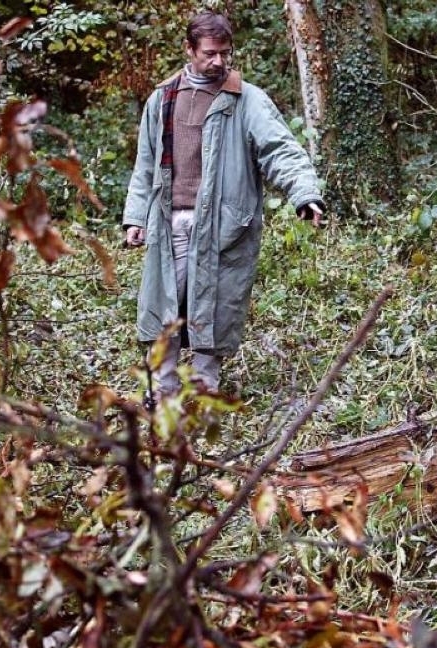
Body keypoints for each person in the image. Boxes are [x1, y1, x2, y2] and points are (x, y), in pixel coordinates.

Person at [122, 11, 323, 397]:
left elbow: (280, 151)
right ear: (189, 50)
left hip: (222, 226)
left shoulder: (246, 100)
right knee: (163, 308)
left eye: (225, 53)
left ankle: (203, 395)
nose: (218, 62)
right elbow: (145, 164)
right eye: (210, 54)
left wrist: (304, 193)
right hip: (169, 223)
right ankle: (160, 394)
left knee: (213, 308)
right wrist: (135, 216)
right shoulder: (163, 98)